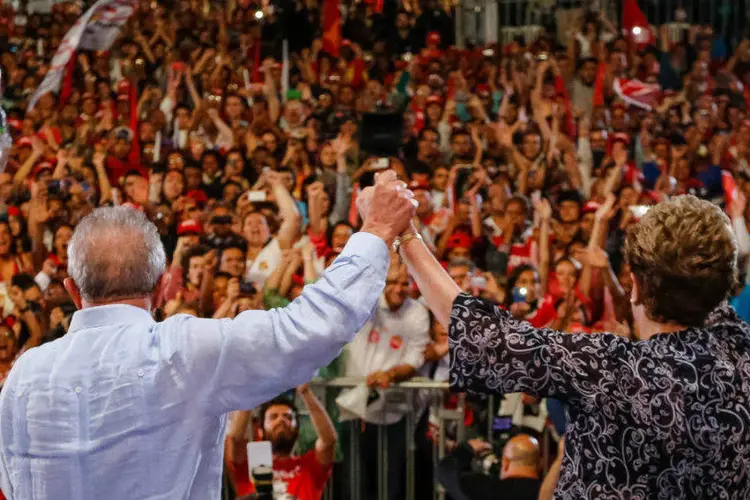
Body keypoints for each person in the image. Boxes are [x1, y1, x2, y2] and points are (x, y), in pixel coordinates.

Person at [0, 171, 416, 499]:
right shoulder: (181, 351)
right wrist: (376, 229)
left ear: (73, 292)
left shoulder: (21, 376)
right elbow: (310, 328)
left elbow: (11, 482)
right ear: (164, 289)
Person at [358, 191, 750, 497]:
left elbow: (482, 333)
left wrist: (404, 234)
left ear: (638, 286)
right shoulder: (742, 355)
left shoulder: (609, 369)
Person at [228, 385, 336, 500]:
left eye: (288, 417)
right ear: (260, 430)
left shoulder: (310, 467)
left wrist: (305, 391)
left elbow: (328, 441)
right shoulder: (249, 465)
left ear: (297, 431)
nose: (281, 420)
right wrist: (249, 392)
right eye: (273, 417)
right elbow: (236, 438)